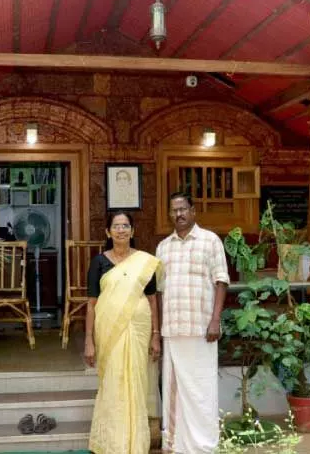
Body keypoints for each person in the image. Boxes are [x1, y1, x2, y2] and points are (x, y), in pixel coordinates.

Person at [156, 192, 230, 453]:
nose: (179, 214)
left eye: (183, 209)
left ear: (193, 211)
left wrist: (215, 320)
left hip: (202, 330)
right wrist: (159, 330)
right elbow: (160, 292)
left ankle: (204, 447)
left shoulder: (210, 241)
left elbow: (221, 281)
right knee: (174, 392)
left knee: (202, 391)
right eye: (174, 210)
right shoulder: (163, 247)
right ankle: (176, 445)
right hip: (174, 330)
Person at [84, 211, 161, 454]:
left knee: (136, 382)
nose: (121, 230)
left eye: (125, 225)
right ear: (108, 232)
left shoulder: (143, 262)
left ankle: (135, 444)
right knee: (112, 382)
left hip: (139, 330)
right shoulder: (99, 262)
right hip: (108, 331)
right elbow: (92, 304)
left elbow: (152, 299)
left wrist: (156, 334)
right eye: (116, 226)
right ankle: (112, 444)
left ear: (132, 231)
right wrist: (88, 340)